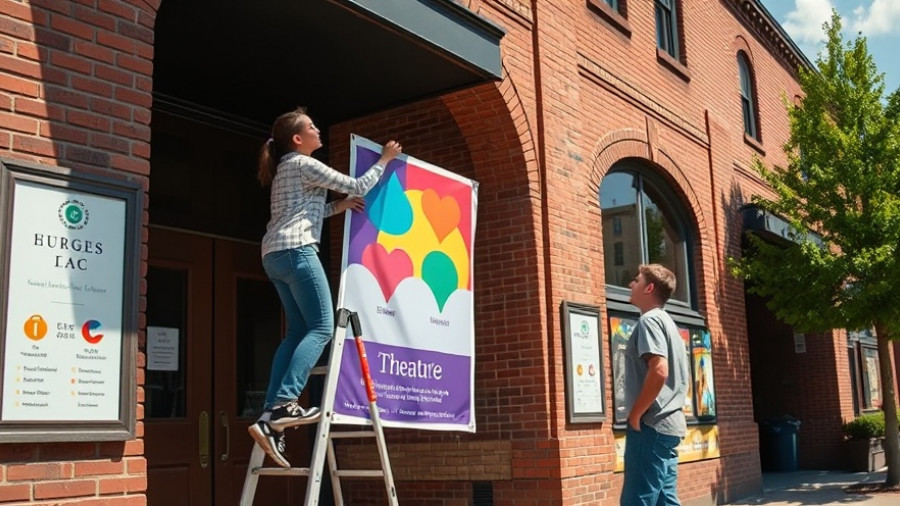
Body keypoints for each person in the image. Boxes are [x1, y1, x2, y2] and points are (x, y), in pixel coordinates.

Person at [248, 107, 402, 468]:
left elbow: (305, 212)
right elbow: (360, 185)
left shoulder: (289, 169)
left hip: (274, 254)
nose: (319, 129)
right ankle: (285, 403)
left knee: (297, 332)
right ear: (298, 139)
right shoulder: (304, 164)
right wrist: (385, 158)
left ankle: (271, 415)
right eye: (312, 126)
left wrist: (339, 207)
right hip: (298, 251)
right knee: (321, 328)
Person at [621, 264, 690, 506]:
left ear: (649, 287)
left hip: (651, 425)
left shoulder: (649, 320)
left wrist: (636, 415)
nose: (631, 284)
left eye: (636, 280)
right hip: (670, 427)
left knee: (636, 501)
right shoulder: (669, 324)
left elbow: (659, 370)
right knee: (665, 501)